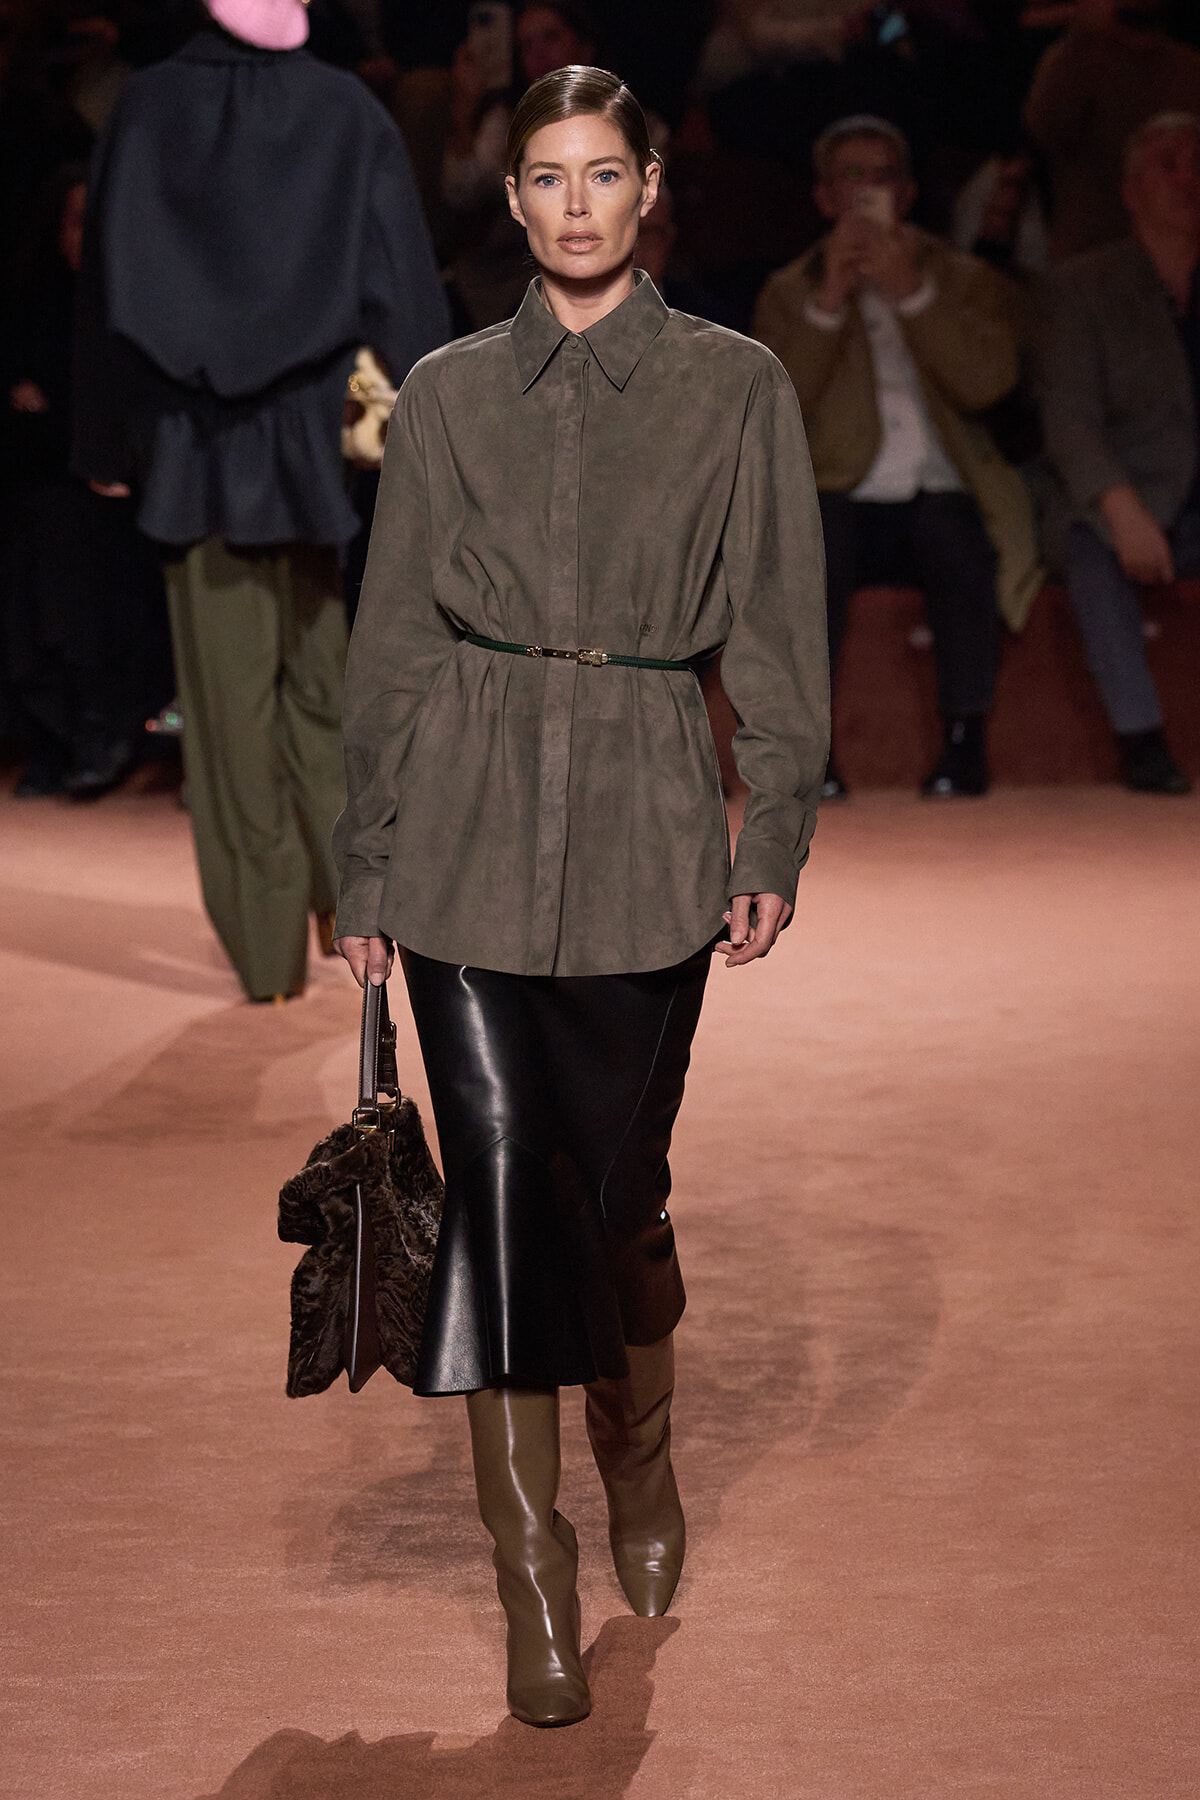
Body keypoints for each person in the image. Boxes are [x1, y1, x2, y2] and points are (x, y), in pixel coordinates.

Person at [333, 65, 828, 1728]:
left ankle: (646, 1459)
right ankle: (529, 1568)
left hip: (641, 832)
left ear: (649, 189)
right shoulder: (455, 396)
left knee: (609, 1196)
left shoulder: (736, 389)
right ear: (518, 199)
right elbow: (391, 637)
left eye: (600, 173)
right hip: (465, 826)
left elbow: (771, 634)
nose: (570, 203)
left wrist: (772, 842)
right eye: (543, 176)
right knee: (493, 1191)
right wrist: (367, 867)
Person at [72, 0, 450, 1002]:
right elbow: (402, 287)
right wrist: (424, 425)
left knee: (227, 705)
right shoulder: (345, 110)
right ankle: (351, 908)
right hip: (312, 433)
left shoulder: (145, 110)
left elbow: (107, 291)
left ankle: (265, 948)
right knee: (324, 685)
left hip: (196, 445)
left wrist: (103, 440)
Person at [753, 115, 1040, 799]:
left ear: (907, 193)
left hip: (937, 483)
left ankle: (965, 742)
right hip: (838, 488)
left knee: (958, 540)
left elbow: (988, 380)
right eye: (850, 177)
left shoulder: (963, 278)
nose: (865, 191)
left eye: (880, 176)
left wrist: (913, 292)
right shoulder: (788, 291)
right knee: (807, 544)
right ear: (824, 198)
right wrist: (829, 301)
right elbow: (774, 406)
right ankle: (809, 752)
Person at [1040, 111, 1200, 794]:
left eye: (1198, 162)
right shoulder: (1086, 285)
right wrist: (1121, 504)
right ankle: (1140, 737)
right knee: (1089, 544)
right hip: (1130, 495)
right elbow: (1069, 418)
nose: (1188, 177)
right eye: (1168, 163)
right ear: (1131, 190)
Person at [1024, 0, 1200, 261]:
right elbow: (1047, 131)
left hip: (1181, 264)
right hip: (1091, 259)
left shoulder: (1190, 68)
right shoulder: (1076, 59)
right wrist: (1083, 36)